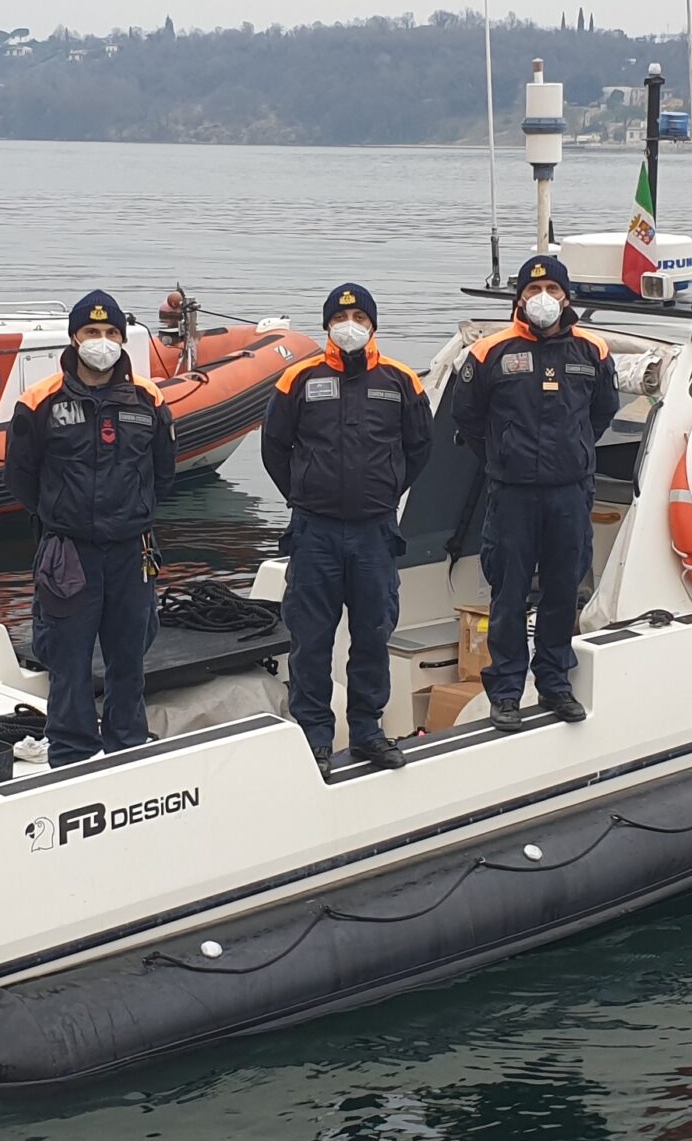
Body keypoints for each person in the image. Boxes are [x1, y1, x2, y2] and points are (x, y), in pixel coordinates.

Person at [261, 283, 433, 780]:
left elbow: (420, 447)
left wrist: (387, 489)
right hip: (314, 532)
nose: (350, 323)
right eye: (341, 316)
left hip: (374, 533)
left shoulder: (400, 380)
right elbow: (275, 447)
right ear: (328, 325)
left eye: (359, 315)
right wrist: (303, 492)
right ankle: (314, 737)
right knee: (310, 638)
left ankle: (367, 731)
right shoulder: (298, 378)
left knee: (374, 634)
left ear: (373, 323)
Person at [4, 290, 176, 767]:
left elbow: (164, 472)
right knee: (68, 660)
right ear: (74, 338)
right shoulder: (39, 402)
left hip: (132, 551)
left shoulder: (149, 399)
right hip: (69, 553)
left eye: (110, 334)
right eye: (91, 333)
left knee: (129, 660)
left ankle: (126, 747)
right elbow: (19, 476)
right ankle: (72, 753)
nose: (101, 342)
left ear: (122, 339)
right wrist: (63, 517)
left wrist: (130, 514)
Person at [450, 254, 618, 731]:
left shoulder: (593, 351)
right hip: (513, 494)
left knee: (564, 589)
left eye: (553, 291)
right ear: (519, 298)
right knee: (509, 592)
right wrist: (503, 456)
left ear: (567, 297)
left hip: (570, 491)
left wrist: (575, 451)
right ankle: (505, 691)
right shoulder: (489, 353)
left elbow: (602, 412)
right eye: (532, 291)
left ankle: (554, 684)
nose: (543, 300)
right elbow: (468, 417)